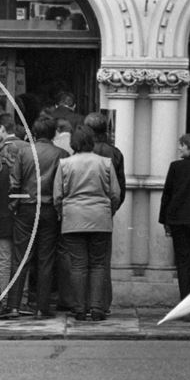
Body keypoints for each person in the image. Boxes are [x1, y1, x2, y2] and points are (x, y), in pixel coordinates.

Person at [0, 115, 69, 320]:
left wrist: (15, 205)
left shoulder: (23, 152)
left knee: (21, 258)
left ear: (34, 133)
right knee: (46, 259)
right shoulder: (61, 154)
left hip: (27, 209)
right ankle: (41, 307)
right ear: (54, 132)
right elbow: (62, 185)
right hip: (49, 209)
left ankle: (13, 306)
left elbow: (15, 183)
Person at [53, 125, 120, 321]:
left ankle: (79, 308)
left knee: (78, 265)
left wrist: (62, 212)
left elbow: (58, 196)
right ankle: (97, 308)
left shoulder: (65, 164)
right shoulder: (105, 163)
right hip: (100, 217)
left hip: (73, 218)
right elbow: (115, 193)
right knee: (98, 264)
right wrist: (109, 210)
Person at [0, 113, 31, 316]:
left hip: (2, 215)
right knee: (23, 259)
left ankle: (4, 301)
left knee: (4, 261)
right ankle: (23, 299)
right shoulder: (29, 150)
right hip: (24, 212)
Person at [85, 112, 127, 314]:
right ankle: (101, 303)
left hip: (79, 213)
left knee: (80, 261)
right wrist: (111, 209)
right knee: (101, 261)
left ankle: (83, 303)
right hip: (104, 211)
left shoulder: (82, 152)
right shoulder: (115, 152)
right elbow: (120, 189)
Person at [159, 134, 190, 304]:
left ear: (188, 147)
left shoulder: (176, 167)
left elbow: (167, 194)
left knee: (183, 262)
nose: (179, 148)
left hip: (179, 220)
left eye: (182, 145)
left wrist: (165, 220)